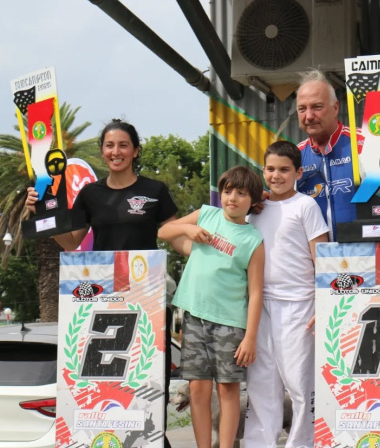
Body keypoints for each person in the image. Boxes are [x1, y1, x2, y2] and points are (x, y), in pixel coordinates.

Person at [26, 118, 179, 448]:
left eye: (123, 145)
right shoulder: (90, 194)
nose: (116, 151)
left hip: (147, 302)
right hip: (101, 302)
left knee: (150, 388)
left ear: (136, 151)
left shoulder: (155, 191)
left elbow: (177, 236)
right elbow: (70, 243)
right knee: (106, 385)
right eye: (110, 146)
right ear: (102, 152)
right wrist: (41, 214)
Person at [158, 166, 265, 448]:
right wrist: (187, 228)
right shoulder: (207, 214)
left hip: (230, 323)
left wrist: (250, 338)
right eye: (228, 191)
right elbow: (164, 231)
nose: (232, 198)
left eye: (241, 193)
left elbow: (256, 292)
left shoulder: (254, 240)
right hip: (192, 317)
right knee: (197, 388)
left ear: (252, 200)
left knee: (228, 389)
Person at [243, 141, 329, 448]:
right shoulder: (254, 210)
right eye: (270, 169)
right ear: (262, 170)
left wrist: (324, 301)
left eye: (284, 170)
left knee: (299, 385)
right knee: (262, 385)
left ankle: (301, 444)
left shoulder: (306, 206)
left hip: (299, 306)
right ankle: (259, 443)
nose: (276, 176)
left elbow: (321, 256)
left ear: (298, 172)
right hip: (259, 308)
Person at [293, 69, 380, 240]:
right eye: (302, 109)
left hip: (363, 257)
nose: (309, 116)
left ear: (335, 108)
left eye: (317, 107)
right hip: (315, 261)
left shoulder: (365, 142)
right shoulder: (295, 155)